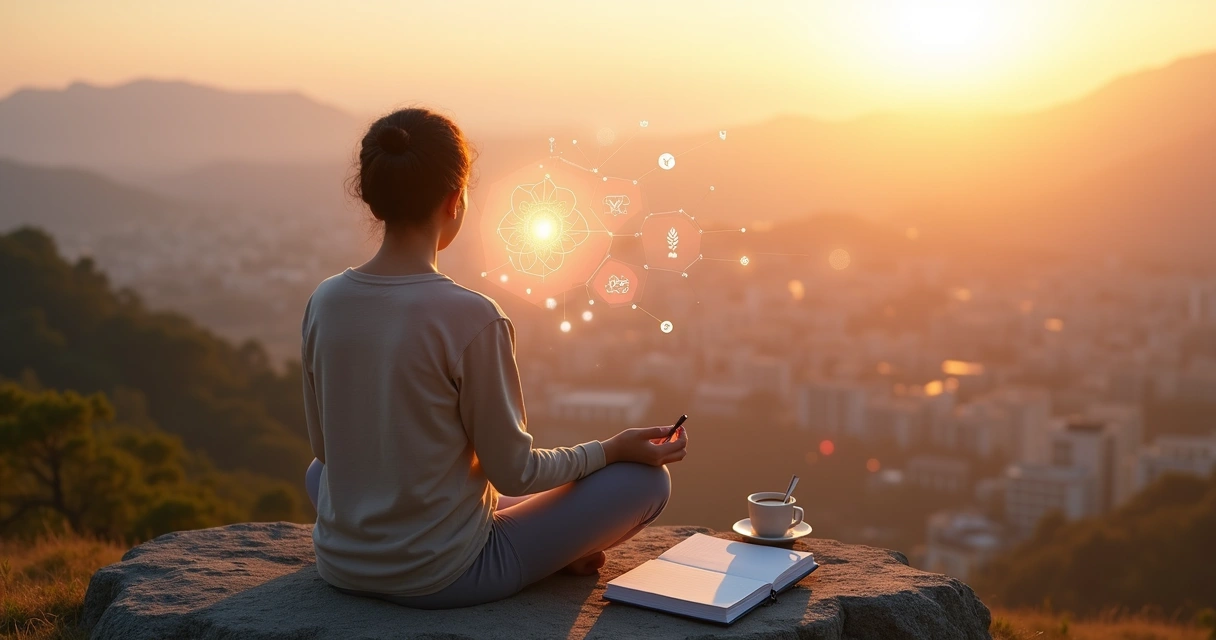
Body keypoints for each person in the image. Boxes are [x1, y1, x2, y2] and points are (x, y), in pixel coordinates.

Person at [300, 107, 688, 609]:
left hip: (343, 562)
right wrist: (612, 450)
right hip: (445, 575)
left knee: (317, 472)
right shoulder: (472, 317)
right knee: (647, 481)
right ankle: (556, 550)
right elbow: (515, 473)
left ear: (374, 201)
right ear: (455, 200)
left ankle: (551, 542)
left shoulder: (325, 300)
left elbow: (327, 449)